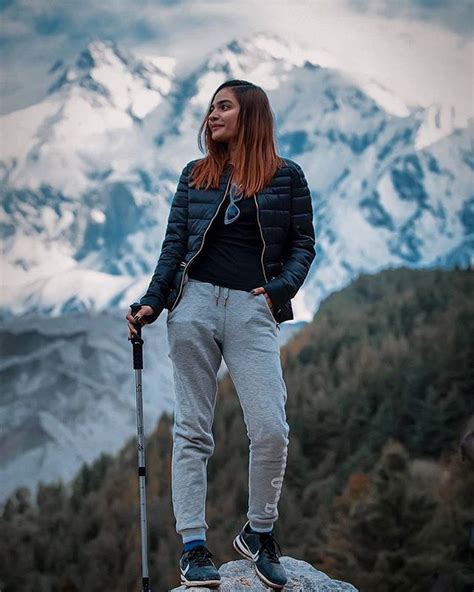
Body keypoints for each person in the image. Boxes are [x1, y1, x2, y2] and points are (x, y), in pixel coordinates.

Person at [126, 79, 316, 589]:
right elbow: (173, 248)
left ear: (250, 115)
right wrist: (153, 300)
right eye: (211, 107)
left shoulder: (286, 176)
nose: (212, 115)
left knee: (271, 428)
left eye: (224, 107)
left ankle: (259, 531)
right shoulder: (195, 175)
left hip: (252, 309)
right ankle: (193, 546)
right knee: (193, 430)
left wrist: (276, 292)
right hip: (193, 305)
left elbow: (303, 244)